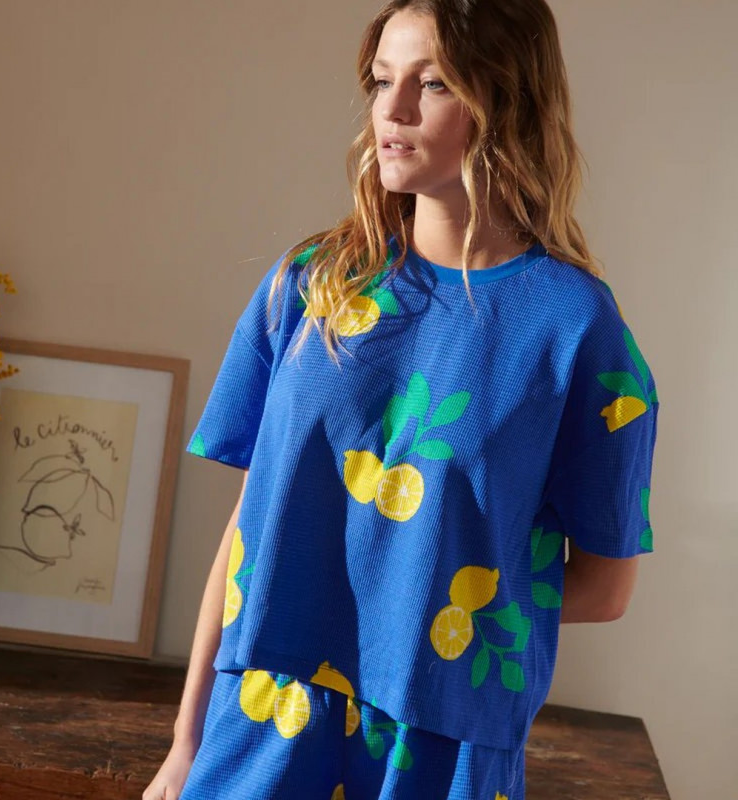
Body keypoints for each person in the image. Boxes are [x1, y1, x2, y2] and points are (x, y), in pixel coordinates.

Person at [144, 0, 659, 798]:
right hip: (262, 723)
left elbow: (607, 588)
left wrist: (409, 604)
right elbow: (248, 529)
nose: (394, 108)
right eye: (383, 81)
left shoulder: (573, 329)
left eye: (434, 83)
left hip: (439, 746)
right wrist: (184, 746)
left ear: (506, 102)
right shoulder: (313, 286)